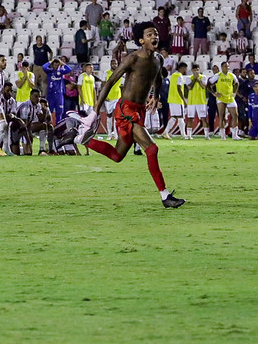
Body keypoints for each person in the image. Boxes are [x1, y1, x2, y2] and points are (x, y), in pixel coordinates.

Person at [78, 22, 186, 208]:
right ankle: (165, 196)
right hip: (126, 110)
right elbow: (111, 81)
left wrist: (155, 95)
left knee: (117, 155)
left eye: (156, 34)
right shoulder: (132, 59)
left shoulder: (158, 59)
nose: (155, 37)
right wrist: (95, 111)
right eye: (150, 35)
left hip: (140, 110)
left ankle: (83, 139)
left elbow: (158, 79)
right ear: (141, 40)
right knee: (152, 149)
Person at [208, 61, 241, 140]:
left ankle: (234, 135)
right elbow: (208, 84)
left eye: (228, 66)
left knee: (235, 115)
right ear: (222, 67)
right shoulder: (218, 76)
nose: (227, 68)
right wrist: (214, 93)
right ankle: (223, 135)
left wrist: (234, 92)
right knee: (221, 116)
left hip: (230, 97)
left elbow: (237, 83)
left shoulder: (231, 75)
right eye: (225, 66)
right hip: (221, 98)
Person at [42, 57, 72, 122]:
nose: (56, 66)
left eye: (57, 65)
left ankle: (59, 125)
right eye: (55, 65)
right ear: (52, 65)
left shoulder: (60, 72)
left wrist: (61, 63)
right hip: (51, 94)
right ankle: (48, 125)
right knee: (49, 111)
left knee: (59, 112)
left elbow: (69, 69)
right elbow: (44, 67)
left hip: (59, 94)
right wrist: (51, 61)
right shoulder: (49, 71)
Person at [185, 63, 210, 140]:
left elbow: (203, 86)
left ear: (199, 70)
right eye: (194, 70)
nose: (196, 71)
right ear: (192, 70)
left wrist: (198, 79)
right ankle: (189, 135)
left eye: (197, 70)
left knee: (203, 118)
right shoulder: (189, 78)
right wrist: (195, 79)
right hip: (191, 101)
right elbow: (189, 87)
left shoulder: (203, 77)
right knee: (190, 118)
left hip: (201, 101)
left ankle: (206, 135)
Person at [100, 58, 123, 139]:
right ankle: (109, 134)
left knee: (117, 115)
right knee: (109, 115)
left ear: (117, 64)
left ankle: (116, 134)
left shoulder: (120, 73)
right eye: (112, 63)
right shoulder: (106, 73)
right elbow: (103, 85)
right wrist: (104, 95)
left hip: (117, 96)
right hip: (109, 97)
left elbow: (123, 84)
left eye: (115, 63)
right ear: (110, 64)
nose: (114, 65)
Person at [163, 62, 188, 139]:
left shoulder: (173, 75)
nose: (185, 70)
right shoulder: (179, 76)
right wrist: (184, 100)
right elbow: (179, 88)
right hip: (177, 99)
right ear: (182, 68)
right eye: (185, 68)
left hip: (171, 99)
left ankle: (165, 132)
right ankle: (183, 135)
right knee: (180, 117)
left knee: (174, 117)